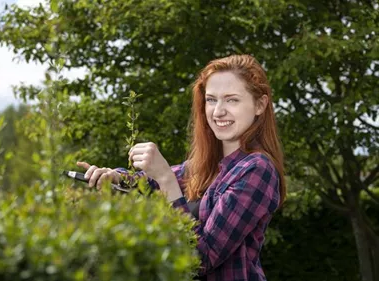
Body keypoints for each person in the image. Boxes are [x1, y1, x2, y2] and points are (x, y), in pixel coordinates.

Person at [77, 54, 286, 281]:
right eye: (211, 100)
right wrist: (114, 177)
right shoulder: (203, 166)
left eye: (232, 100)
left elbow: (200, 259)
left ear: (259, 105)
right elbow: (148, 183)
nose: (218, 111)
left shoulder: (256, 169)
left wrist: (166, 179)